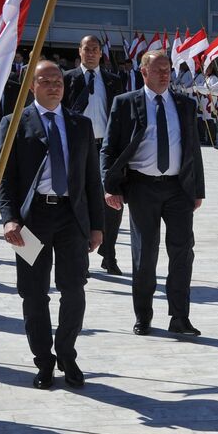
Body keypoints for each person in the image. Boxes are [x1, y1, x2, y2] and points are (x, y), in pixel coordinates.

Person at [0, 61, 105, 388]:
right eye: (45, 81)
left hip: (71, 218)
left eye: (58, 81)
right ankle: (43, 361)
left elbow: (91, 178)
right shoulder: (14, 122)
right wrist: (9, 218)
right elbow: (3, 177)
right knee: (34, 293)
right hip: (32, 221)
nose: (54, 86)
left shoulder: (80, 124)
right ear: (32, 86)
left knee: (74, 289)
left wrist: (98, 225)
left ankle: (67, 352)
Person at [101, 49, 206, 338]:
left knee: (182, 253)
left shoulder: (184, 103)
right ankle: (143, 316)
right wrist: (109, 186)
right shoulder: (125, 103)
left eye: (168, 69)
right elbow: (109, 148)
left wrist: (198, 190)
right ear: (143, 72)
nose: (164, 74)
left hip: (178, 189)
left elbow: (193, 149)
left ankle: (180, 317)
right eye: (158, 69)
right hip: (142, 187)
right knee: (145, 254)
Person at [63, 34, 125, 275]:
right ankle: (82, 255)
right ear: (79, 51)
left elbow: (120, 116)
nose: (90, 53)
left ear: (101, 53)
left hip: (106, 148)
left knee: (112, 201)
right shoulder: (67, 79)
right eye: (86, 49)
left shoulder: (112, 81)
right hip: (77, 147)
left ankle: (108, 253)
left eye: (95, 49)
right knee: (81, 201)